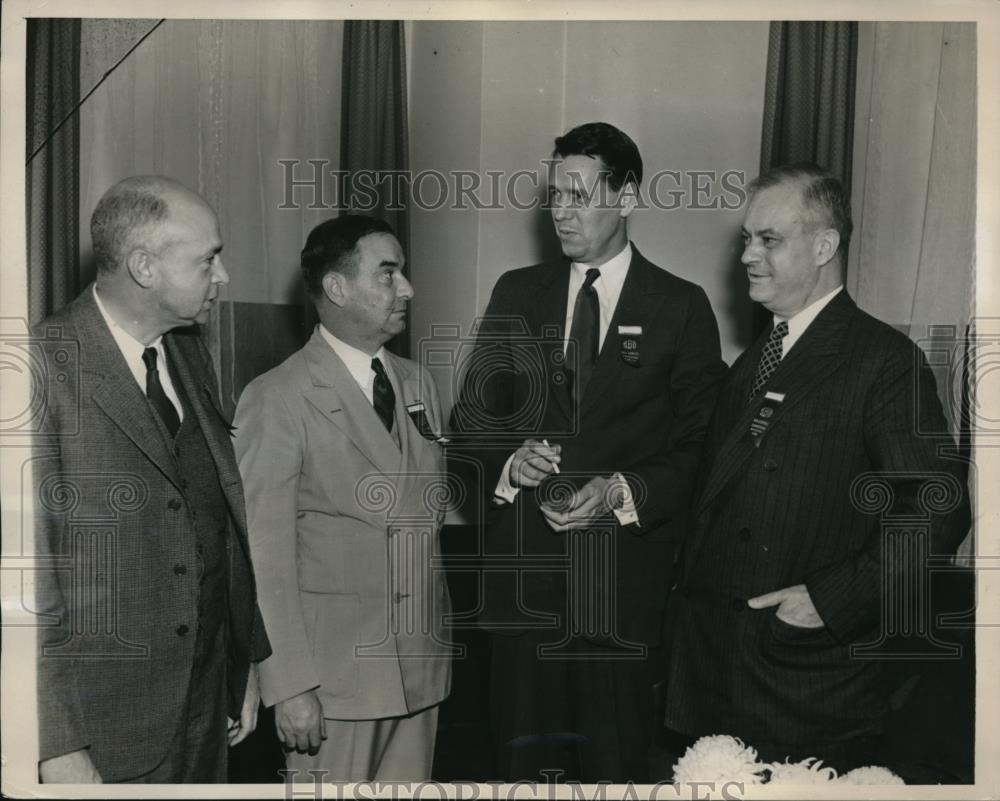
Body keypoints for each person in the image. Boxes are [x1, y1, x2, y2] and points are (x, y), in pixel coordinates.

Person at [663, 163, 971, 771]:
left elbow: (936, 508)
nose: (748, 254)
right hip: (718, 669)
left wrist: (832, 600)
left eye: (768, 239)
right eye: (746, 238)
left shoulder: (883, 361)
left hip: (807, 679)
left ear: (824, 245)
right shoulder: (754, 361)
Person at [449, 121, 727, 782]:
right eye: (554, 196)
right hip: (525, 595)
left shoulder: (681, 308)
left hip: (621, 595)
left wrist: (622, 489)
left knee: (614, 770)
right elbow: (472, 421)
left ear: (627, 196)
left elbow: (702, 446)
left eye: (579, 195)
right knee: (521, 770)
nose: (561, 212)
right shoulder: (516, 293)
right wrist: (510, 463)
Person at [32, 175, 271, 783]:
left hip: (206, 709)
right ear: (144, 267)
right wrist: (55, 743)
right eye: (208, 259)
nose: (223, 277)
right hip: (103, 731)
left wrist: (243, 666)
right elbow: (28, 579)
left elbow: (220, 525)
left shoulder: (187, 352)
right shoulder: (40, 367)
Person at [233, 215, 452, 782]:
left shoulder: (417, 383)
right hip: (335, 686)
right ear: (337, 288)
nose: (405, 289)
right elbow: (265, 558)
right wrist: (290, 685)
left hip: (418, 671)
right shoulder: (278, 396)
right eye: (388, 274)